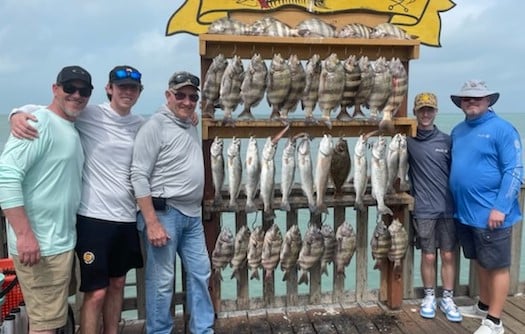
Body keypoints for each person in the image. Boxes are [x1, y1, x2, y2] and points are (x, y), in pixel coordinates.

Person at [9, 65, 146, 334]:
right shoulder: (89, 114)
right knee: (95, 293)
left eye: (133, 88)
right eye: (121, 87)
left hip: (127, 217)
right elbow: (45, 111)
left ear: (140, 92)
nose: (127, 92)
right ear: (109, 89)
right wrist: (15, 114)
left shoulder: (140, 124)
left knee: (117, 284)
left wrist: (191, 120)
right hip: (92, 218)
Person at [0, 65, 92, 334]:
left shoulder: (68, 126)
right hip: (40, 245)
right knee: (44, 325)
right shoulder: (37, 123)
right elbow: (6, 177)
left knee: (50, 318)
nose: (76, 94)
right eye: (69, 88)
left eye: (83, 90)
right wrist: (25, 234)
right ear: (55, 89)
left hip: (59, 243)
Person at [131, 71, 215, 334]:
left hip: (193, 216)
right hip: (164, 214)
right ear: (168, 95)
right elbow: (138, 175)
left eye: (192, 97)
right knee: (162, 282)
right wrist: (151, 222)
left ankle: (203, 330)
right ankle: (159, 331)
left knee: (201, 274)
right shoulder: (154, 126)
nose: (187, 101)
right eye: (180, 95)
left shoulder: (190, 122)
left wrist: (192, 118)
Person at [449, 80, 523, 334]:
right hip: (466, 213)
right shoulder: (458, 131)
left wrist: (500, 207)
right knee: (480, 261)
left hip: (493, 214)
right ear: (460, 103)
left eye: (477, 98)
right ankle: (483, 305)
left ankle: (494, 321)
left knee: (498, 266)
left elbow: (514, 171)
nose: (471, 102)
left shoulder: (503, 129)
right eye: (466, 98)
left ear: (488, 100)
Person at [406, 92, 462, 322]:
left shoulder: (447, 141)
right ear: (415, 113)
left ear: (436, 112)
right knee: (428, 256)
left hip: (448, 208)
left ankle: (447, 297)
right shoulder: (407, 140)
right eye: (422, 110)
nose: (426, 113)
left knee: (448, 254)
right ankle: (429, 295)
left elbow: (461, 171)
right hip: (424, 209)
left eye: (430, 109)